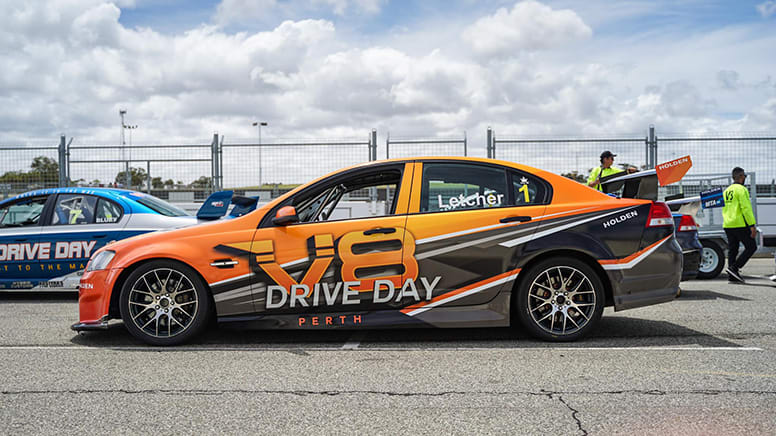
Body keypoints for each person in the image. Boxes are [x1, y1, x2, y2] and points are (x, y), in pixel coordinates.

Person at [722, 167, 757, 283]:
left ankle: (732, 276)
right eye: (744, 176)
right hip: (739, 223)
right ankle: (734, 268)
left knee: (733, 249)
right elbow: (746, 208)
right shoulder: (741, 190)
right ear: (741, 177)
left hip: (728, 224)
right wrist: (752, 225)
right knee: (751, 247)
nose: (745, 178)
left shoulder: (727, 191)